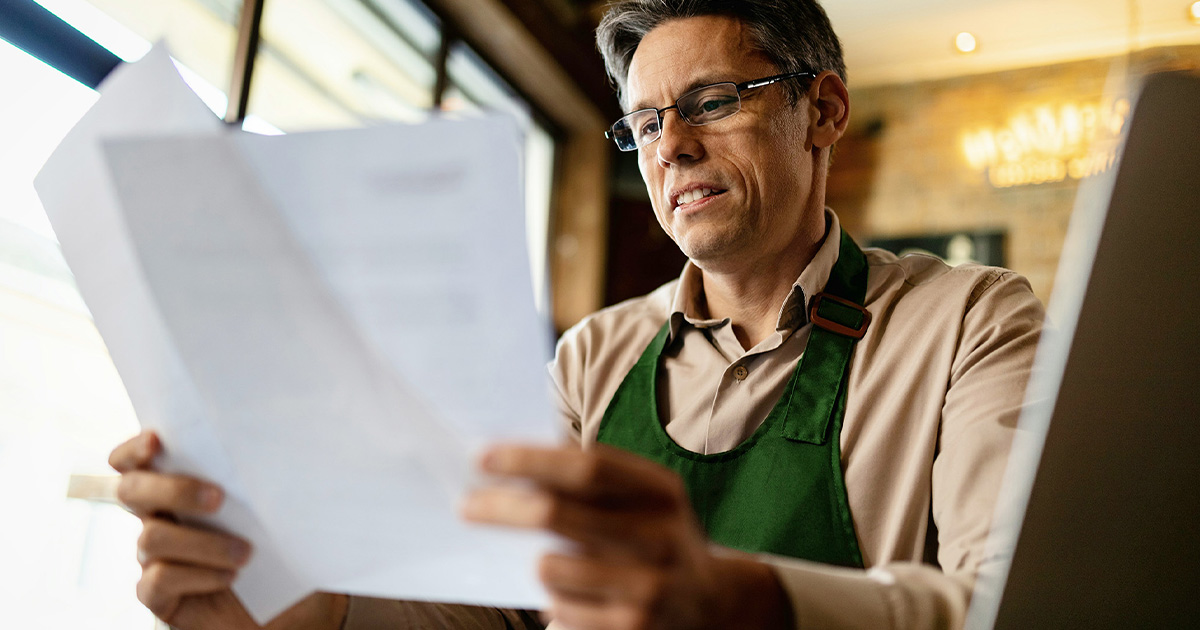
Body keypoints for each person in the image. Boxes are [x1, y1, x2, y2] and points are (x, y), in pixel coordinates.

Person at [108, 1, 1045, 628]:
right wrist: (282, 604)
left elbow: (1014, 602)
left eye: (710, 103)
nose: (670, 148)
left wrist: (735, 599)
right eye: (642, 124)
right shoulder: (595, 355)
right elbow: (487, 604)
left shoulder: (972, 320)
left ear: (825, 109)